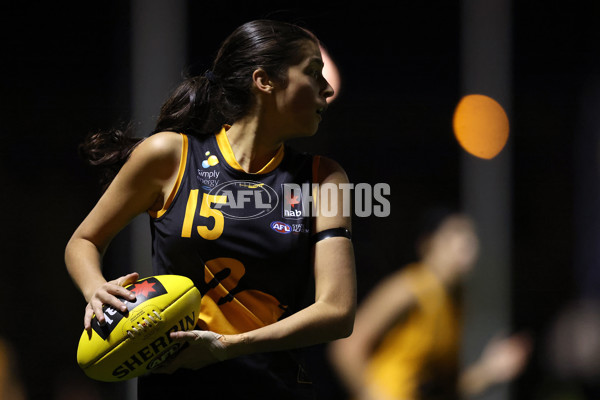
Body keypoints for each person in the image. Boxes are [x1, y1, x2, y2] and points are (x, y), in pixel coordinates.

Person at [65, 19, 356, 399]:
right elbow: (83, 240)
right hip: (174, 389)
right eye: (313, 73)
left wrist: (226, 346)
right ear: (264, 80)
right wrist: (96, 290)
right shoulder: (171, 156)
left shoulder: (324, 179)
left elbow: (337, 311)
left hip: (272, 388)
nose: (328, 89)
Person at [329, 210, 530, 400]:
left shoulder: (455, 307)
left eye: (472, 236)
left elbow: (441, 391)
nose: (469, 243)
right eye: (456, 232)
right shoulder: (409, 287)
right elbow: (346, 348)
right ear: (428, 243)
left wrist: (490, 371)